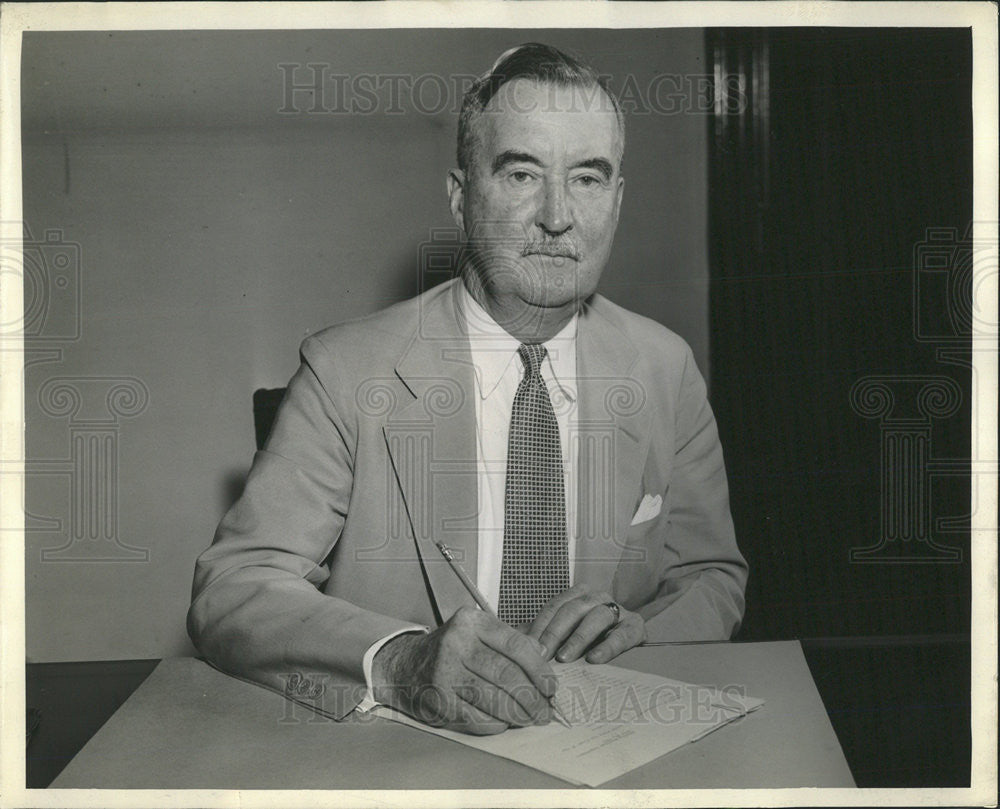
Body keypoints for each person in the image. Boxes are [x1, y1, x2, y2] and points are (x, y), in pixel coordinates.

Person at [188, 43, 747, 736]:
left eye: (588, 178)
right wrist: (400, 661)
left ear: (618, 200)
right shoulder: (346, 371)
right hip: (400, 756)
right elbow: (234, 588)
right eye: (521, 174)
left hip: (604, 751)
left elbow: (711, 576)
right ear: (461, 198)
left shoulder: (666, 368)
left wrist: (643, 632)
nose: (556, 216)